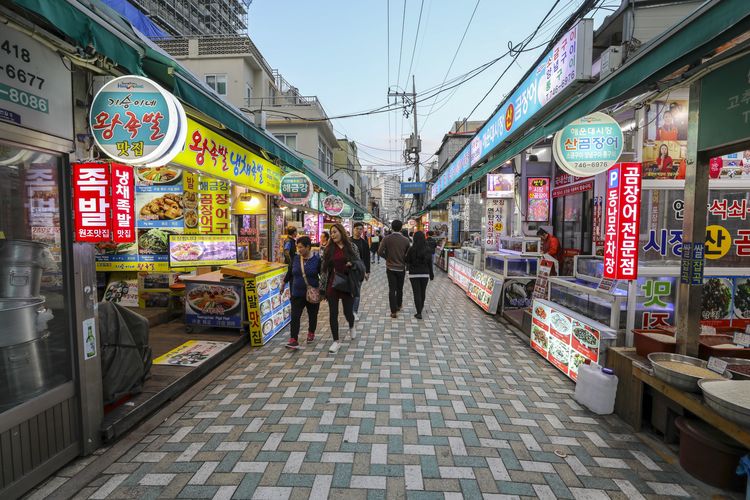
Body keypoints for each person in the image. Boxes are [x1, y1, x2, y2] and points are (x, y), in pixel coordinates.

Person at [321, 223, 363, 353]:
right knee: (333, 313)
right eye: (331, 233)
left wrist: (353, 265)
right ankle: (336, 341)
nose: (332, 235)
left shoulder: (352, 247)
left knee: (347, 312)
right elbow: (324, 269)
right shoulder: (328, 249)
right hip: (333, 283)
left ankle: (351, 325)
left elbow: (359, 263)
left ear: (341, 232)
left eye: (335, 232)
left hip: (347, 283)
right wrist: (322, 287)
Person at [282, 236, 321, 349]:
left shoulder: (317, 260)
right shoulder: (295, 258)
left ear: (308, 247)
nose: (298, 250)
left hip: (312, 293)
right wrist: (283, 283)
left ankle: (311, 332)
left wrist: (323, 291)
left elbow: (322, 276)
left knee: (312, 315)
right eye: (298, 247)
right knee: (295, 316)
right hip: (297, 293)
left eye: (301, 247)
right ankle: (293, 339)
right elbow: (290, 272)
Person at [378, 220, 411, 319]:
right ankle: (399, 304)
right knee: (399, 288)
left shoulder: (386, 239)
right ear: (401, 228)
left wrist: (387, 257)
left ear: (392, 227)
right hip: (401, 268)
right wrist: (404, 261)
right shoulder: (406, 240)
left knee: (392, 289)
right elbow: (408, 254)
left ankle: (393, 311)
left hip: (390, 268)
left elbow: (379, 252)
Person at [405, 231, 434, 319]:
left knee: (416, 293)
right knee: (422, 292)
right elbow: (430, 263)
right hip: (425, 274)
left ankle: (419, 312)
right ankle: (420, 310)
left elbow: (407, 260)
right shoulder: (428, 249)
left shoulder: (411, 249)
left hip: (414, 274)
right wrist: (431, 274)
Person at [351, 222, 371, 321]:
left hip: (359, 271)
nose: (359, 231)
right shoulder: (348, 241)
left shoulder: (364, 243)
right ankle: (349, 309)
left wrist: (367, 272)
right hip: (348, 270)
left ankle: (354, 312)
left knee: (357, 292)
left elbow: (367, 258)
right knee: (349, 292)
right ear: (353, 229)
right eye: (357, 229)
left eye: (360, 229)